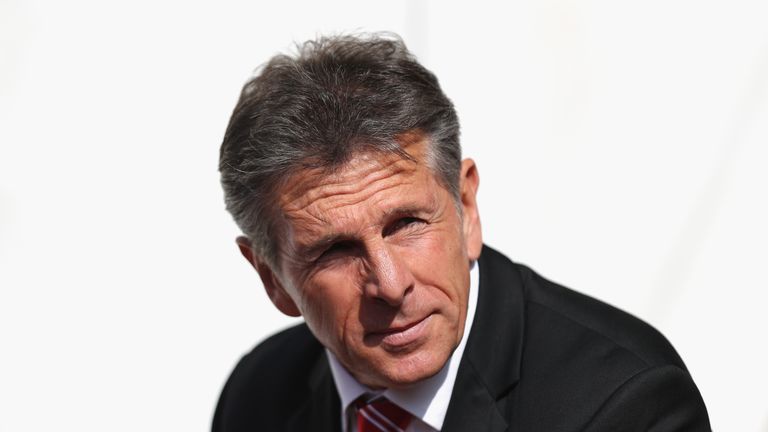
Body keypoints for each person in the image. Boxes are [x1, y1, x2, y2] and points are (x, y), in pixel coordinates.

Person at [212, 33, 711, 431]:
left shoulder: (624, 403)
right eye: (336, 250)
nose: (389, 284)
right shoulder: (259, 395)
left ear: (467, 207)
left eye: (407, 223)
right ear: (272, 277)